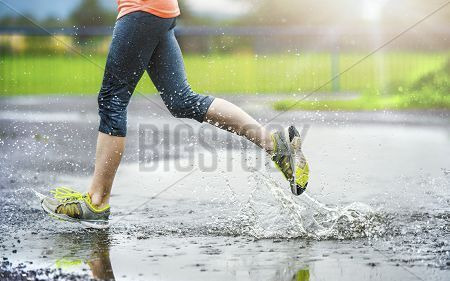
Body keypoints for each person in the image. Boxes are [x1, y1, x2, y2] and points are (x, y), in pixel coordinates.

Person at [40, 0, 309, 228]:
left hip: (142, 9)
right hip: (159, 10)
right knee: (181, 100)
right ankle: (274, 144)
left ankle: (97, 201)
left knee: (113, 99)